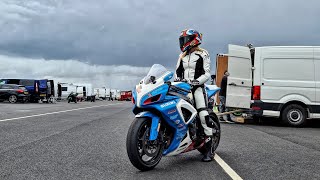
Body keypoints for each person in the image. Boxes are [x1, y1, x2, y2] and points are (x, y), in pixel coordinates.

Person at [174, 29, 216, 162]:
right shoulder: (182, 56)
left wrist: (196, 82)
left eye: (185, 39)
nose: (183, 42)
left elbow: (207, 73)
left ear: (194, 40)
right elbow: (177, 72)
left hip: (197, 88)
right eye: (182, 40)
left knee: (203, 115)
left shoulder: (203, 54)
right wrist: (175, 81)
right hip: (183, 88)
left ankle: (209, 150)